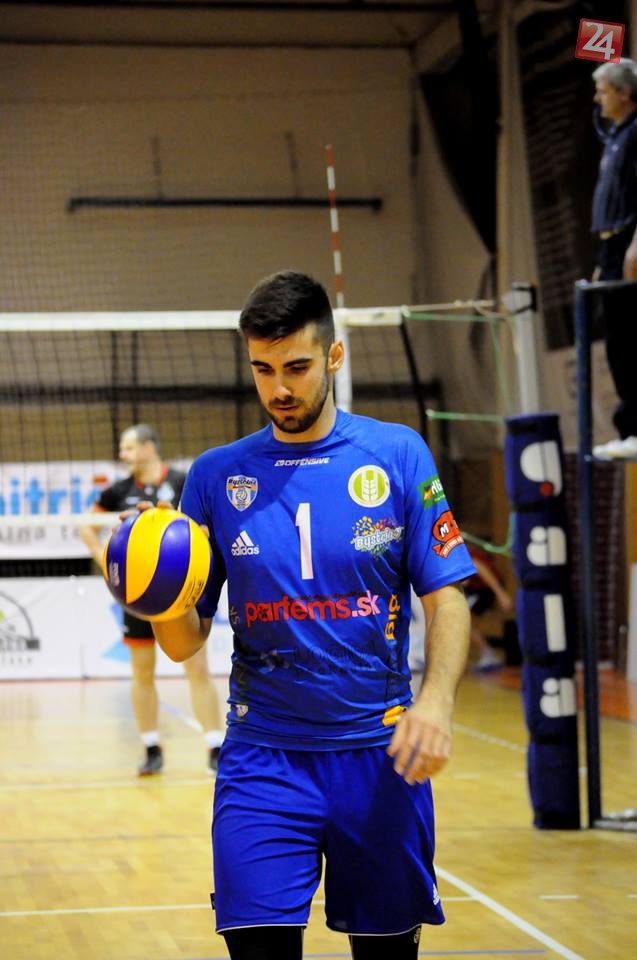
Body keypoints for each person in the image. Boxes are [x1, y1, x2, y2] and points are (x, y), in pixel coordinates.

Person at [148, 271, 475, 960]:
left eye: (295, 367)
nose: (278, 389)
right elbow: (182, 644)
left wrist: (438, 702)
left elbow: (446, 594)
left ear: (334, 356)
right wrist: (156, 597)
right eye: (262, 370)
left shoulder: (397, 453)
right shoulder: (214, 475)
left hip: (379, 755)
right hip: (261, 759)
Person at [80, 423, 224, 776]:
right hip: (139, 593)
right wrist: (106, 561)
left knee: (197, 669)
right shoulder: (118, 491)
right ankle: (151, 747)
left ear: (148, 447)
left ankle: (215, 746)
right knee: (142, 672)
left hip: (180, 591)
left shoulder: (183, 480)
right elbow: (86, 527)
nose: (123, 454)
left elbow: (205, 529)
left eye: (128, 448)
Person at [590, 59, 637, 460]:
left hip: (628, 245)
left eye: (603, 91)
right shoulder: (616, 135)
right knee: (616, 343)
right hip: (610, 248)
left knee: (630, 339)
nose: (597, 99)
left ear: (625, 93)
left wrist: (635, 246)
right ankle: (630, 428)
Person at [465, 545, 513, 672]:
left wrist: (501, 594)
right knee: (464, 624)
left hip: (483, 587)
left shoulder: (452, 551)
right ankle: (487, 653)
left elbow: (479, 567)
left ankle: (488, 654)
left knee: (462, 622)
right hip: (474, 588)